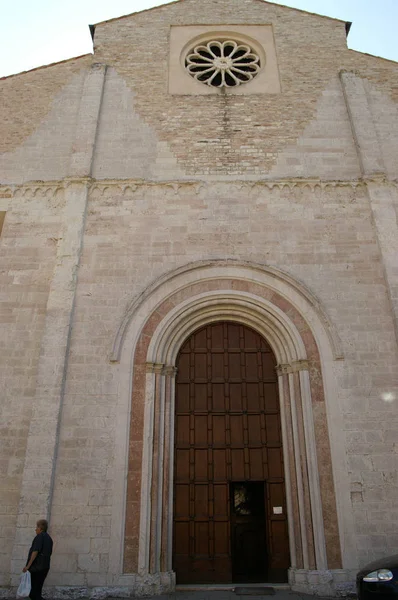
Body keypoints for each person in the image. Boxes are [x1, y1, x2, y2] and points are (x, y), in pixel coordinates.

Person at [23, 519, 53, 600]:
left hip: (37, 568)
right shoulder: (49, 538)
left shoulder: (39, 537)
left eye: (37, 527)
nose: (35, 529)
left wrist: (27, 566)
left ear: (41, 528)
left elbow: (35, 552)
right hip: (45, 567)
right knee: (37, 591)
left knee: (33, 594)